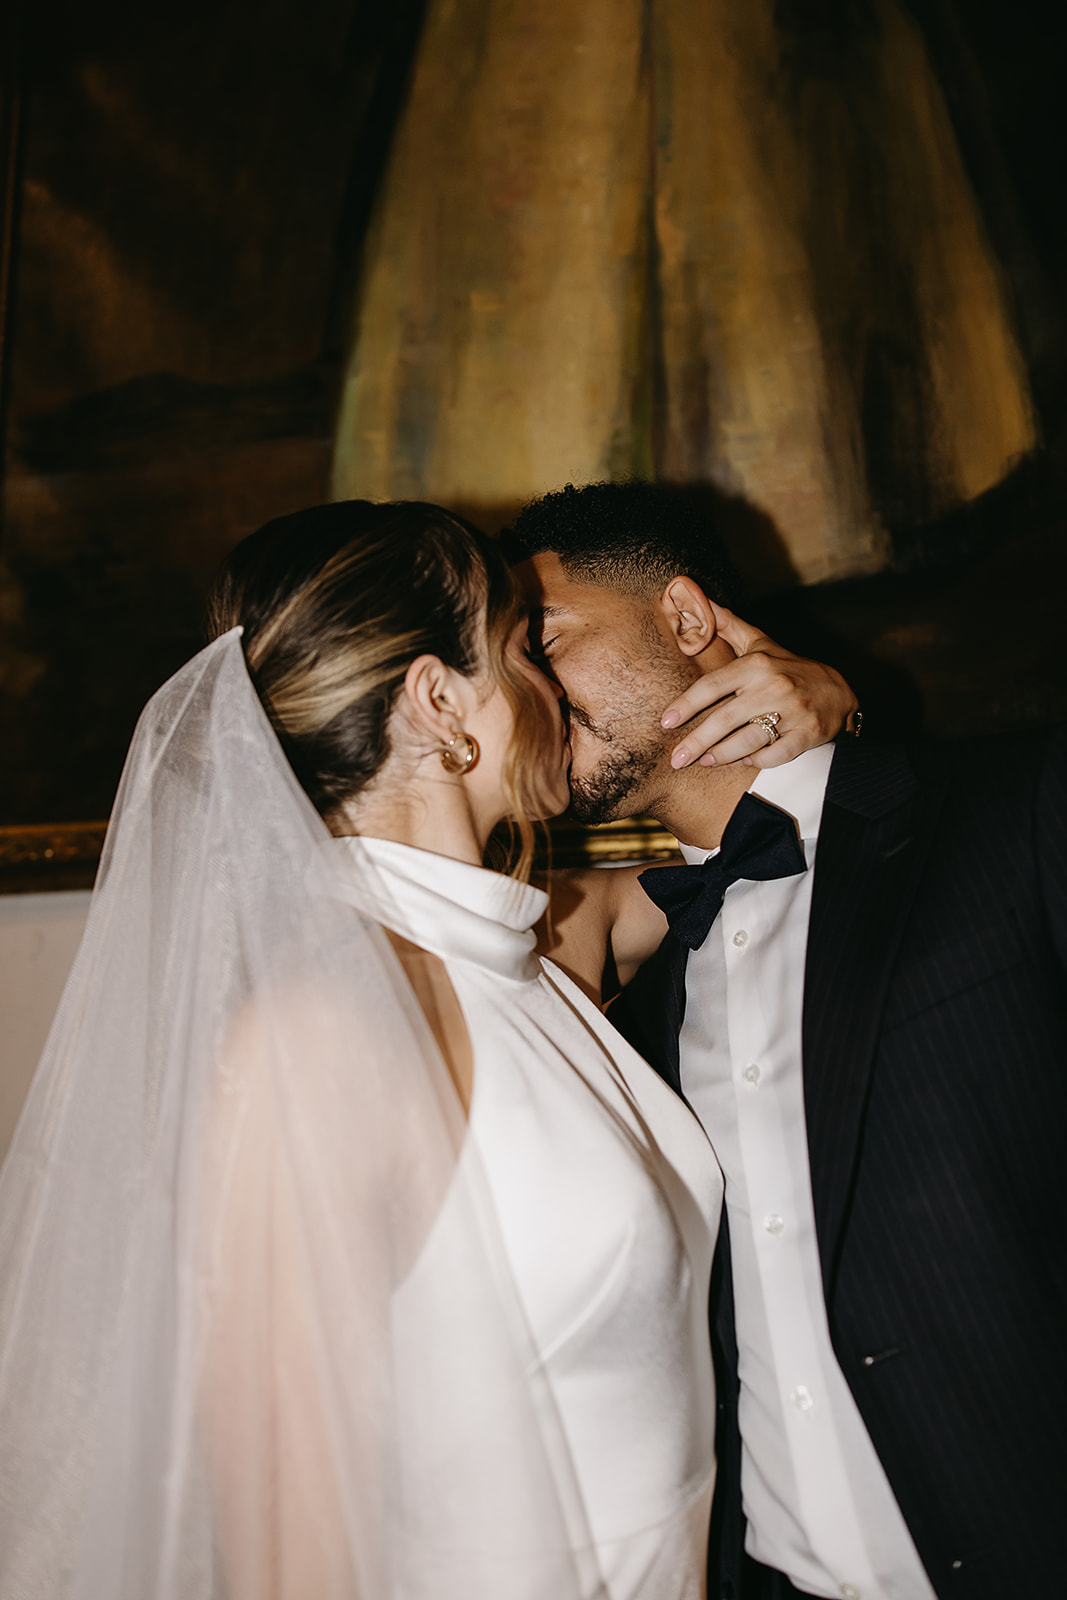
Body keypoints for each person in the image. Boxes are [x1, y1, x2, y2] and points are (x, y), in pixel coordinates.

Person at [0, 498, 851, 1600]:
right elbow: (280, 1547)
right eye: (519, 654)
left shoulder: (531, 940)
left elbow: (725, 861)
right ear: (441, 703)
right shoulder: (318, 1034)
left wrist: (828, 705)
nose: (554, 694)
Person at [503, 479, 1067, 1600]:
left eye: (546, 643)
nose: (523, 688)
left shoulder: (1013, 812)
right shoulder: (606, 973)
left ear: (683, 617)